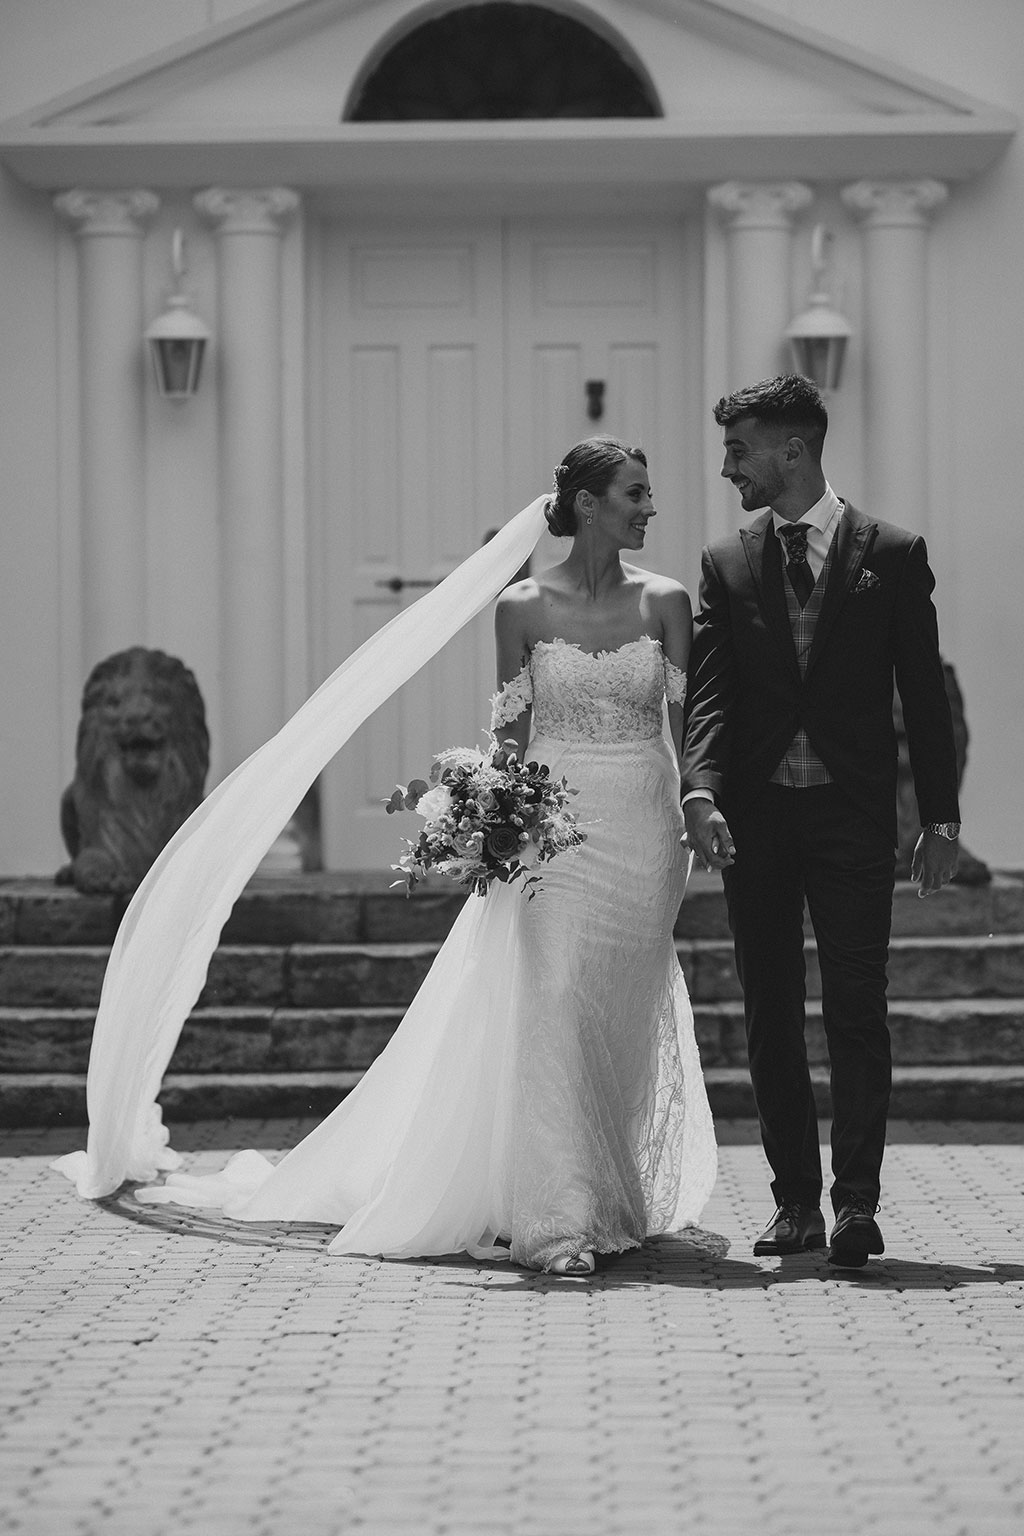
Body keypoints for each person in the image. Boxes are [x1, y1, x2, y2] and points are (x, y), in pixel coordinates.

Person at [131, 437, 717, 1274]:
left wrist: (699, 801)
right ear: (588, 505)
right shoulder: (520, 607)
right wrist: (492, 811)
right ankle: (558, 1221)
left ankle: (603, 1188)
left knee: (617, 1016)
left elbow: (689, 727)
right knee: (552, 1001)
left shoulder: (667, 601)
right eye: (636, 493)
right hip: (554, 835)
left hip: (646, 830)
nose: (651, 507)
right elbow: (510, 735)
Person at [680, 375, 960, 1270]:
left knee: (856, 1007)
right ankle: (795, 1201)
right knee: (769, 1010)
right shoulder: (728, 563)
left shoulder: (894, 551)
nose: (729, 469)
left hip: (851, 817)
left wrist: (941, 817)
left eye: (740, 451)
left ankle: (857, 1206)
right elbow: (714, 698)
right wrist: (702, 789)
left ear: (791, 451)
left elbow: (924, 695)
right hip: (757, 819)